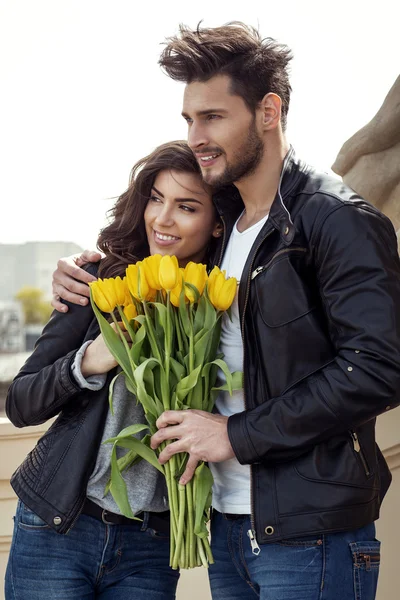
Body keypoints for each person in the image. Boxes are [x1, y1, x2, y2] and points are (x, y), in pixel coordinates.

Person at [51, 23, 400, 600]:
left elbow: (378, 367)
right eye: (189, 120)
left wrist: (236, 434)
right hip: (228, 532)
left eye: (212, 117)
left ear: (269, 110)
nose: (196, 137)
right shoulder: (223, 226)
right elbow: (154, 241)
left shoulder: (335, 219)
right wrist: (78, 270)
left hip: (309, 537)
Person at [5, 140, 223, 600]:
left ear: (218, 222)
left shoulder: (224, 305)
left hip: (154, 543)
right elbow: (20, 402)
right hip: (59, 526)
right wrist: (90, 360)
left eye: (186, 206)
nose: (162, 219)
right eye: (156, 198)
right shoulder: (101, 283)